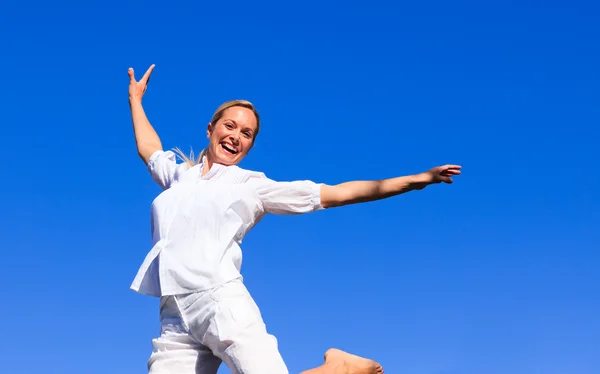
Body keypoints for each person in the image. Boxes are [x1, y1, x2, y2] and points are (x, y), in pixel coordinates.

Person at [128, 64, 461, 374]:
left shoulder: (250, 186)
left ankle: (339, 367)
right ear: (210, 129)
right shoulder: (180, 177)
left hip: (218, 301)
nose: (236, 136)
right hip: (172, 314)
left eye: (247, 133)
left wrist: (419, 179)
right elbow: (149, 149)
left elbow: (338, 193)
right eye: (230, 126)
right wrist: (135, 99)